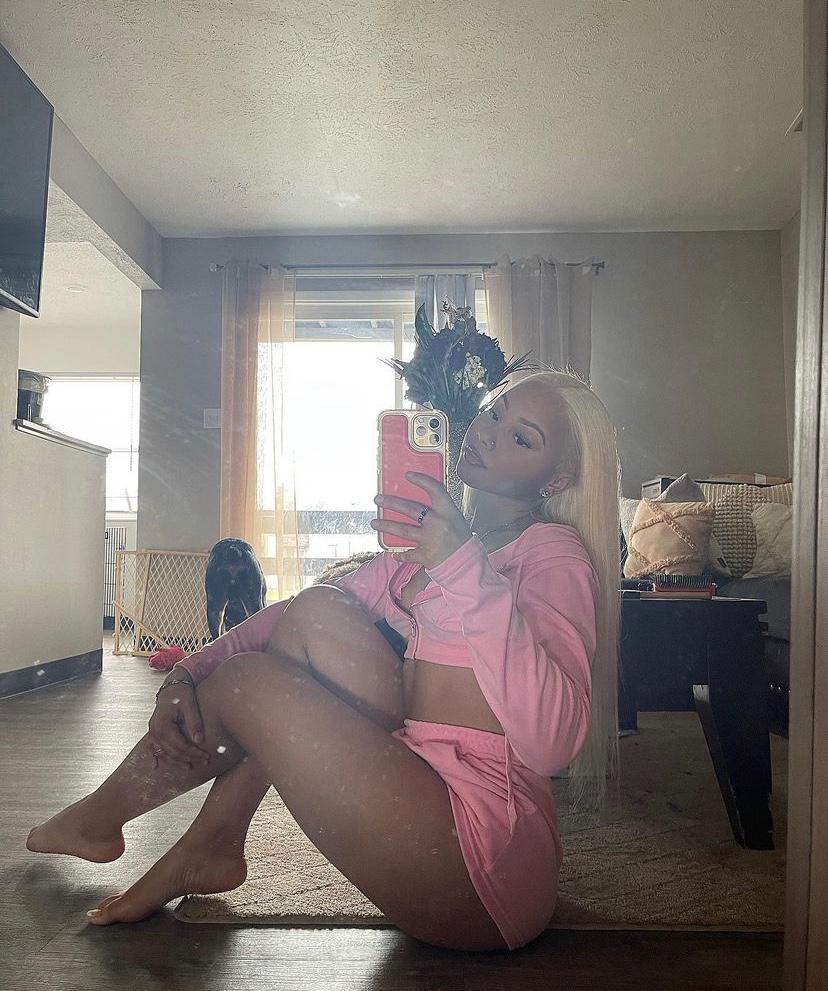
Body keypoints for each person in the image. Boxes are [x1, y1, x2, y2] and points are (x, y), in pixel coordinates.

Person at [26, 368, 621, 952]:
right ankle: (196, 839)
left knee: (248, 681)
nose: (488, 433)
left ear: (557, 478)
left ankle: (156, 829)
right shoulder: (428, 548)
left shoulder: (552, 556)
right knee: (314, 612)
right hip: (420, 780)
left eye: (521, 438)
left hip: (485, 856)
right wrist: (187, 671)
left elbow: (553, 744)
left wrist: (461, 565)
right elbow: (293, 615)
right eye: (494, 413)